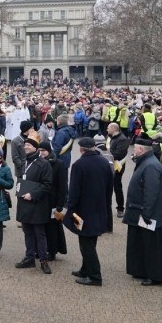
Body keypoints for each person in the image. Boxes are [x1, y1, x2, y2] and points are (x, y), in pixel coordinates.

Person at [123, 138, 162, 286]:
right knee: (141, 243)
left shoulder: (151, 166)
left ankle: (154, 274)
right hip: (141, 211)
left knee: (151, 245)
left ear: (140, 150)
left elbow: (151, 192)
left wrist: (146, 213)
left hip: (147, 213)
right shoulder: (147, 163)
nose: (133, 152)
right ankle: (141, 269)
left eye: (135, 149)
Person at [65, 137, 113, 286]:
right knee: (90, 241)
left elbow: (74, 190)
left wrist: (70, 207)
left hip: (83, 210)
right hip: (99, 208)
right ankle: (85, 269)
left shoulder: (79, 164)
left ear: (81, 149)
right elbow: (109, 187)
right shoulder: (104, 162)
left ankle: (94, 276)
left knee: (86, 244)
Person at [15, 130, 54, 274]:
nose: (26, 147)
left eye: (29, 146)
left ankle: (44, 260)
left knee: (39, 233)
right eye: (25, 145)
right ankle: (29, 258)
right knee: (27, 232)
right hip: (24, 202)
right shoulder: (25, 162)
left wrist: (33, 194)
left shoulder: (44, 164)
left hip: (37, 203)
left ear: (36, 148)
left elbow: (47, 185)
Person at [38, 140, 67, 261]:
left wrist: (60, 204)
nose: (41, 153)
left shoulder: (59, 164)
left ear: (49, 151)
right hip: (41, 200)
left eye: (43, 151)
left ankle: (53, 250)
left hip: (53, 201)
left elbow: (63, 186)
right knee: (41, 226)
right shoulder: (38, 163)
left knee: (53, 227)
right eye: (39, 151)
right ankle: (41, 249)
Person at [105, 122, 129, 223]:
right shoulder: (112, 137)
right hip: (110, 165)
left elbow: (118, 154)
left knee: (117, 187)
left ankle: (120, 209)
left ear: (114, 129)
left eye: (108, 128)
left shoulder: (123, 139)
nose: (107, 130)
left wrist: (106, 156)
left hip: (117, 166)